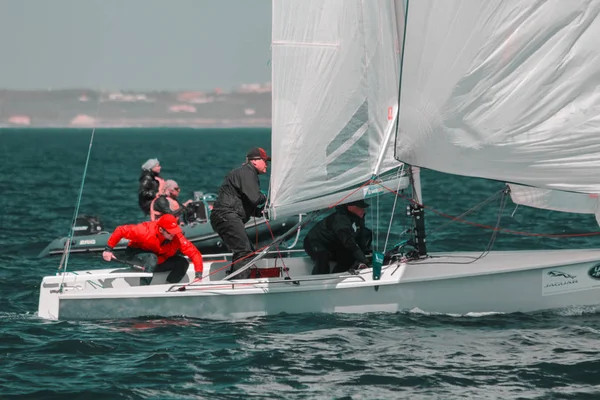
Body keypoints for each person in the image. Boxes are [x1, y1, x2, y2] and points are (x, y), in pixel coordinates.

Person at [209, 147, 270, 279]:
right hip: (227, 215)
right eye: (265, 161)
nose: (267, 164)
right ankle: (238, 285)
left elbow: (245, 203)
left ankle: (234, 280)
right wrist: (267, 197)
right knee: (244, 252)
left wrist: (260, 212)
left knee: (247, 252)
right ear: (254, 161)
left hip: (225, 215)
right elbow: (255, 198)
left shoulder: (245, 173)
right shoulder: (247, 173)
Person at [102, 214, 204, 283]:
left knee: (182, 262)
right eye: (169, 232)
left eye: (175, 230)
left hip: (157, 259)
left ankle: (168, 287)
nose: (173, 234)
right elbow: (120, 230)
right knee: (152, 258)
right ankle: (143, 290)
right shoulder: (145, 231)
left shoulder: (177, 237)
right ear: (160, 229)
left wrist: (198, 275)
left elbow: (194, 253)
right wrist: (108, 249)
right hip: (136, 254)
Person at [303, 200, 373, 275]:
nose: (363, 210)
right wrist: (365, 260)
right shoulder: (341, 221)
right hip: (315, 242)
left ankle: (336, 276)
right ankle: (316, 282)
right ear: (350, 208)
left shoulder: (359, 216)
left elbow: (360, 235)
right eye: (360, 208)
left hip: (333, 243)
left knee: (349, 258)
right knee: (322, 261)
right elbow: (349, 243)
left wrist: (365, 251)